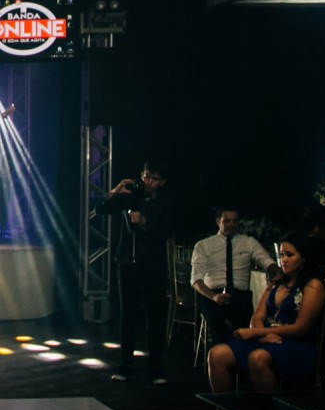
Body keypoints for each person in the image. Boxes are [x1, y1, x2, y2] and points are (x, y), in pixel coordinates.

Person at [205, 228, 325, 410]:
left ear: (304, 258)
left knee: (258, 358)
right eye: (281, 255)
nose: (283, 260)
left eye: (289, 255)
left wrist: (257, 334)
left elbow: (301, 328)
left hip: (296, 344)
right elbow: (258, 317)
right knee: (217, 354)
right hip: (267, 339)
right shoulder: (276, 283)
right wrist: (261, 334)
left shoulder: (313, 286)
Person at [101, 159, 176, 382]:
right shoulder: (130, 196)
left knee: (155, 316)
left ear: (162, 181)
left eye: (153, 179)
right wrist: (115, 192)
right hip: (128, 263)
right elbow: (101, 209)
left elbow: (165, 231)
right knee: (128, 315)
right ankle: (125, 364)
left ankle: (155, 368)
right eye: (145, 177)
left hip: (153, 265)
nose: (148, 182)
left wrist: (144, 221)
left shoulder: (166, 201)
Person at [190, 206, 274, 341]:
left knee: (246, 326)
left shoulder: (248, 242)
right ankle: (222, 353)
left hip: (239, 294)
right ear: (218, 221)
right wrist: (214, 296)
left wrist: (276, 270)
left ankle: (240, 353)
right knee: (218, 323)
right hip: (212, 293)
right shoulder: (204, 245)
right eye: (227, 221)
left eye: (235, 221)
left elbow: (265, 260)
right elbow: (195, 280)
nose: (231, 225)